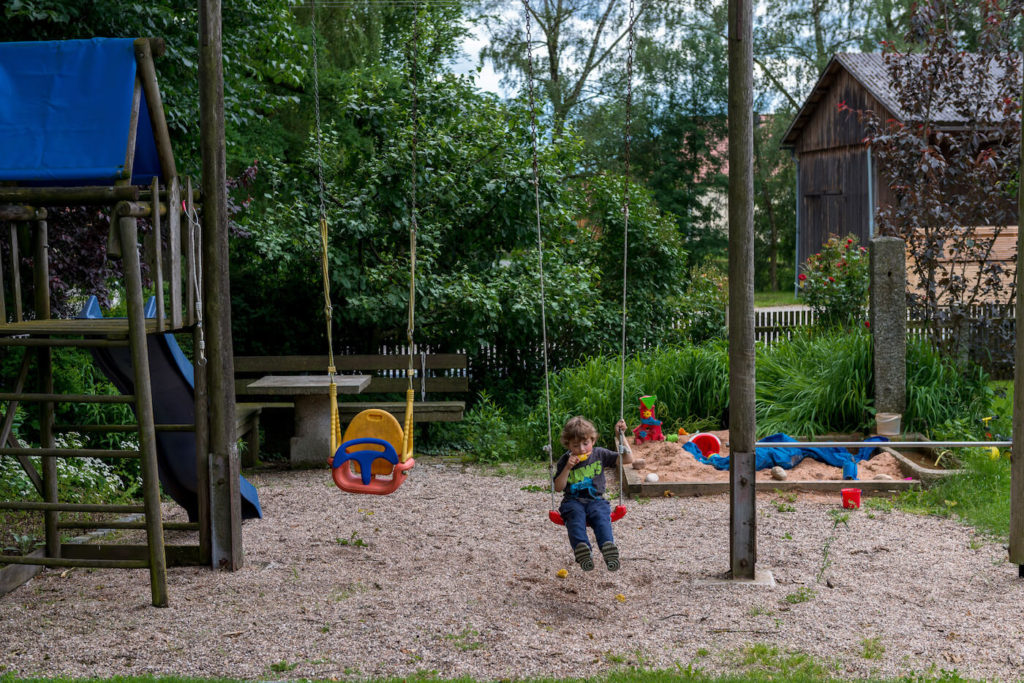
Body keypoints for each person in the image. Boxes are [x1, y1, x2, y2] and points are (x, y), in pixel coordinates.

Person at [553, 416, 632, 571]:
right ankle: (583, 552)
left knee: (602, 518)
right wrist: (567, 468)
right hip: (573, 500)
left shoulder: (600, 454)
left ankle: (608, 549)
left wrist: (620, 436)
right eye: (576, 445)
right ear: (568, 445)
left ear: (593, 441)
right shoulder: (565, 460)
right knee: (574, 518)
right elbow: (558, 487)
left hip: (596, 499)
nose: (582, 449)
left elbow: (628, 458)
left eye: (586, 443)